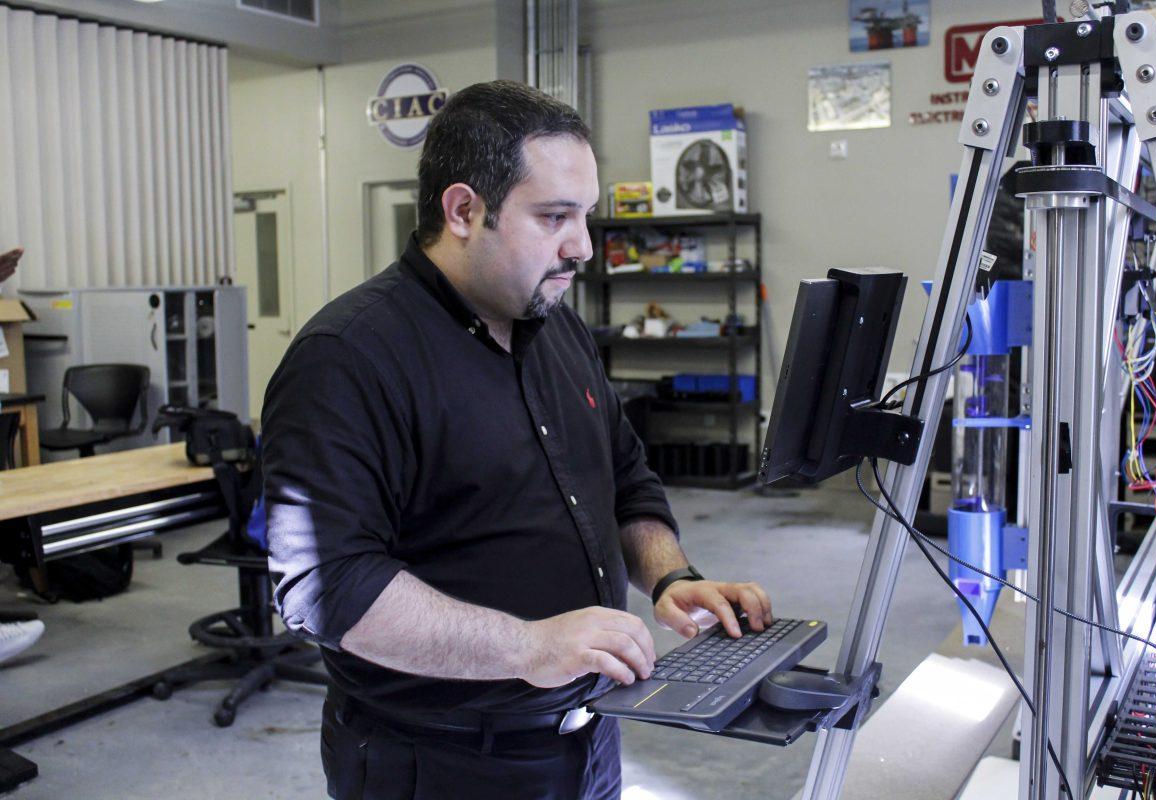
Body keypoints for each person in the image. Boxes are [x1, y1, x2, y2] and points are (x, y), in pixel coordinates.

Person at [263, 80, 774, 800]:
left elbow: (623, 477)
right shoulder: (349, 357)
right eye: (555, 216)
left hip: (587, 738)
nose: (584, 247)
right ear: (464, 210)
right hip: (440, 765)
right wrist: (528, 646)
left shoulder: (555, 323)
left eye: (586, 215)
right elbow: (328, 586)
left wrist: (671, 577)